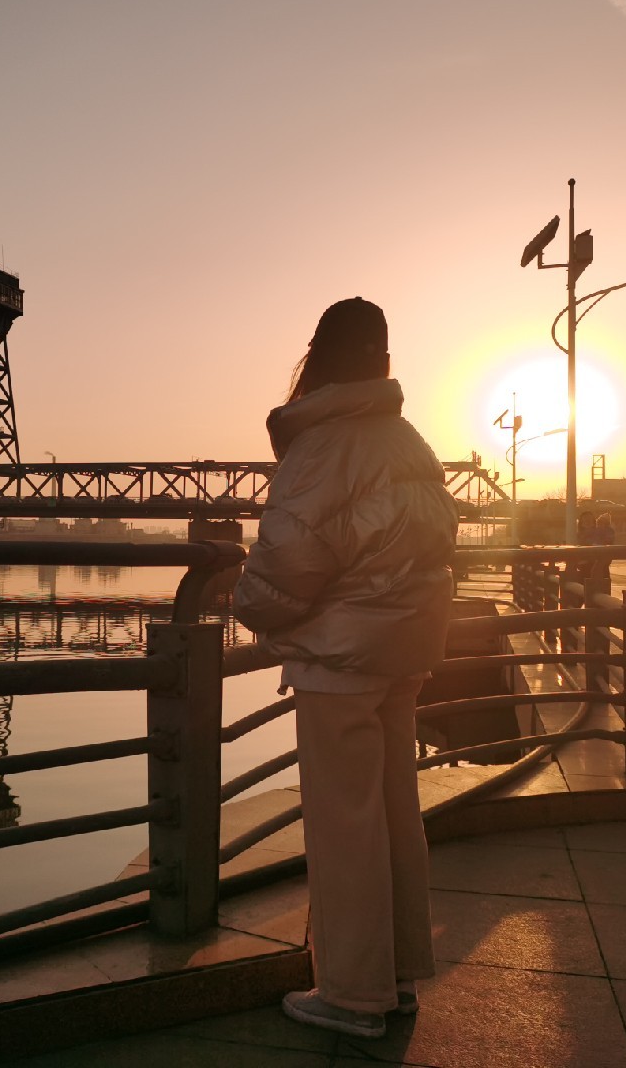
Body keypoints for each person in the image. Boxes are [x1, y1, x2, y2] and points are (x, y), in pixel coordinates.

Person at [233, 297, 460, 1040]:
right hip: (404, 649)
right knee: (393, 814)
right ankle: (396, 976)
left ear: (318, 361)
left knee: (344, 826)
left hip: (341, 658)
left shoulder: (324, 444)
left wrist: (246, 605)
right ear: (383, 362)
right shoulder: (407, 440)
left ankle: (353, 995)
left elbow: (287, 562)